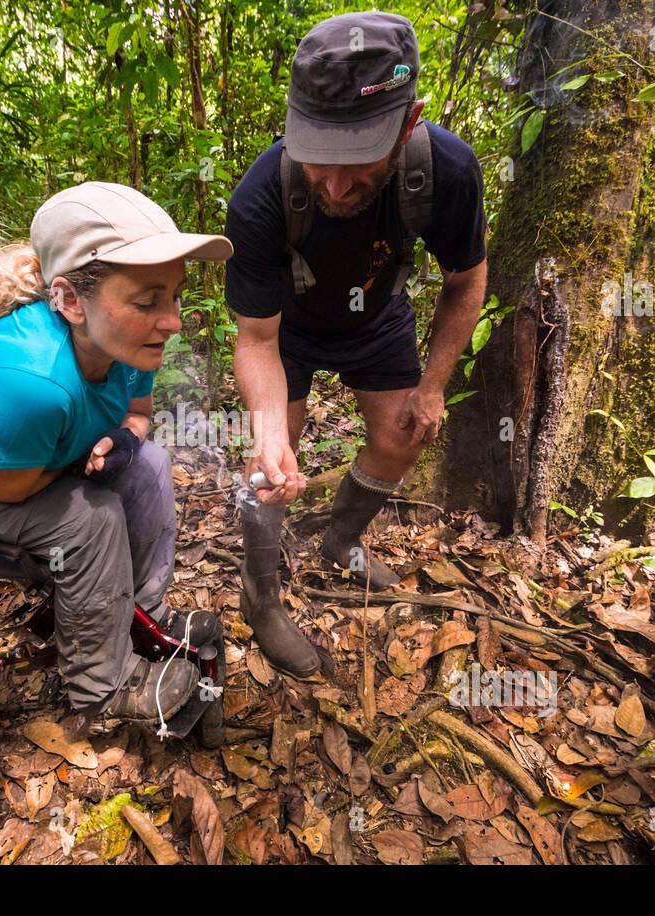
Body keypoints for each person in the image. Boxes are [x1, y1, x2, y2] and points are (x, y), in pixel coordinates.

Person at [0, 181, 233, 726]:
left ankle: (140, 616)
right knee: (88, 515)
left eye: (174, 296)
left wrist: (125, 440)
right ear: (71, 300)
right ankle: (101, 684)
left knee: (150, 466)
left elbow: (139, 415)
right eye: (147, 302)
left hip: (14, 458)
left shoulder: (128, 343)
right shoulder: (26, 380)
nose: (172, 321)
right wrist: (80, 461)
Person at [225, 11, 488, 677]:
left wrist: (432, 386)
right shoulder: (261, 195)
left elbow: (466, 279)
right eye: (320, 159)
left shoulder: (447, 171)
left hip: (376, 317)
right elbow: (255, 338)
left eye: (358, 161)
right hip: (287, 326)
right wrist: (267, 431)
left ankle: (339, 541)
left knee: (405, 433)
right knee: (270, 469)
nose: (336, 186)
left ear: (408, 122)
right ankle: (261, 600)